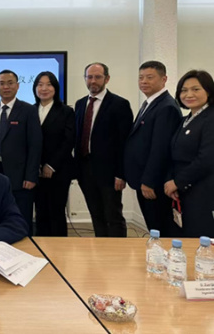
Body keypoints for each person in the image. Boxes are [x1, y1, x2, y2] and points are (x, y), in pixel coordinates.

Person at [75, 63, 133, 237]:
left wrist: (121, 174)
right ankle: (101, 247)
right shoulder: (80, 104)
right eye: (89, 77)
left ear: (107, 79)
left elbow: (124, 142)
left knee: (113, 216)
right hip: (85, 170)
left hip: (110, 173)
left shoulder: (120, 104)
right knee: (96, 214)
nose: (93, 81)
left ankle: (117, 250)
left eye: (98, 77)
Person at [124, 61, 182, 237]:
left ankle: (161, 254)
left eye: (150, 77)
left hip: (153, 183)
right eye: (141, 77)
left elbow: (161, 149)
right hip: (143, 178)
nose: (144, 81)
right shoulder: (150, 103)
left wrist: (149, 181)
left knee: (160, 228)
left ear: (164, 79)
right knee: (154, 227)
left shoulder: (166, 107)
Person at [0, 70, 42, 235]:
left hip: (20, 175)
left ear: (17, 86)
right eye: (1, 83)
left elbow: (35, 144)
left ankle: (25, 245)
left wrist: (31, 176)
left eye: (10, 83)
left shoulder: (29, 110)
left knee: (21, 216)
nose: (6, 87)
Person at [165, 70, 214, 238]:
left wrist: (178, 182)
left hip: (202, 190)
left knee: (200, 239)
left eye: (196, 89)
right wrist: (172, 181)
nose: (189, 94)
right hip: (183, 190)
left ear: (209, 91)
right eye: (184, 90)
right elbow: (174, 154)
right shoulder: (185, 119)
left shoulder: (210, 119)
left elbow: (207, 159)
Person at [32, 72, 75, 237]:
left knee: (56, 211)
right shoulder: (30, 110)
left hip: (59, 170)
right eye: (40, 84)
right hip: (35, 171)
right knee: (40, 211)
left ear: (55, 88)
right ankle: (41, 246)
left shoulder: (66, 111)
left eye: (49, 84)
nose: (44, 88)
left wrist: (51, 165)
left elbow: (68, 141)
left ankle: (59, 248)